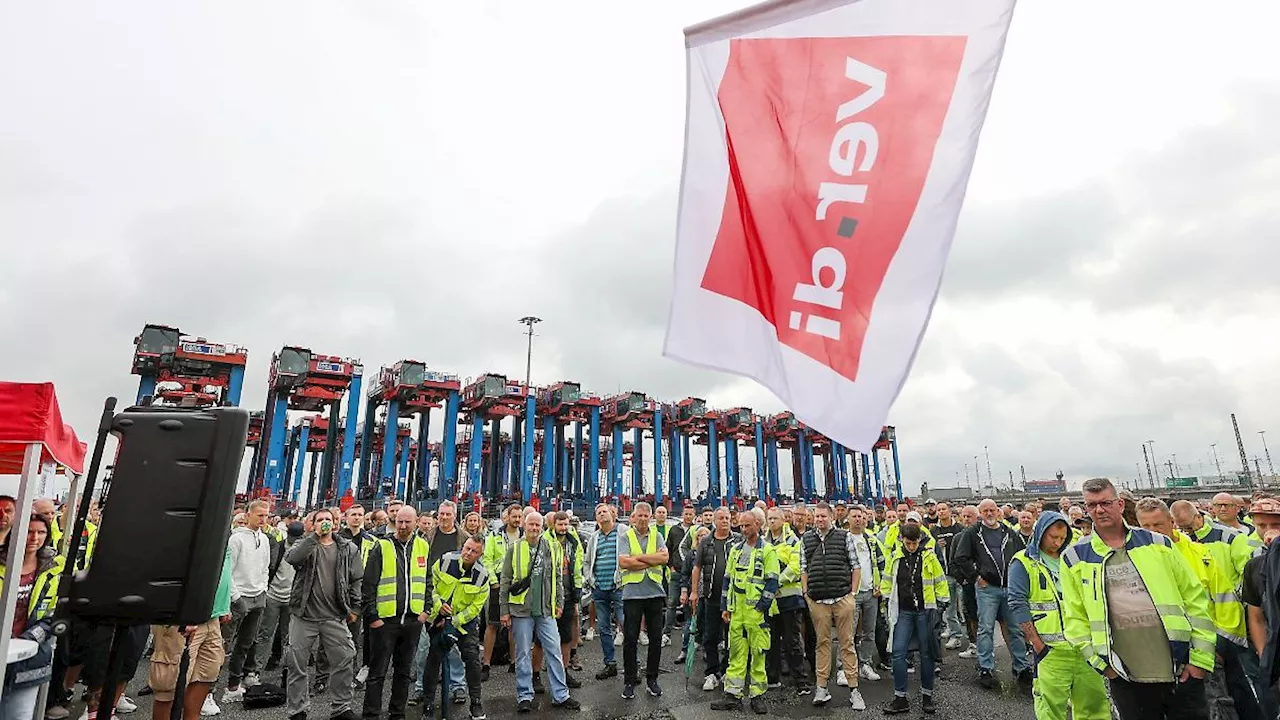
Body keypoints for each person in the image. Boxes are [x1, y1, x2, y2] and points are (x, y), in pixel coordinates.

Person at [1061, 478, 1215, 720]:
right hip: (1125, 674)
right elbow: (1074, 616)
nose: (1099, 510)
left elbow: (1194, 598)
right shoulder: (1075, 557)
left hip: (1179, 665)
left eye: (1105, 503)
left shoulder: (1157, 543)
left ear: (1120, 504)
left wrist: (1201, 660)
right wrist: (1102, 664)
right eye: (1092, 505)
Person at [1008, 511, 1108, 720]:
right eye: (1053, 537)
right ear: (1041, 533)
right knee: (1051, 708)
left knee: (1094, 704)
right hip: (1051, 650)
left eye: (1062, 538)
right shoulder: (1023, 561)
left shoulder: (1071, 558)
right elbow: (1017, 603)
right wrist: (1037, 644)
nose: (1057, 542)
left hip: (1083, 647)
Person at [284, 507, 362, 720]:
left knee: (345, 657)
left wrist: (355, 608)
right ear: (313, 523)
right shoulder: (304, 543)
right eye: (320, 520)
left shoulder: (348, 548)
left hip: (334, 615)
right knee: (296, 663)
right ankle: (298, 710)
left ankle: (341, 707)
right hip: (304, 615)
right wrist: (313, 537)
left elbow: (356, 578)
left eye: (328, 519)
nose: (325, 523)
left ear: (335, 523)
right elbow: (292, 558)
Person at [499, 510, 580, 712]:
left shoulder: (552, 548)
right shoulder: (514, 548)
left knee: (554, 652)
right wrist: (504, 610)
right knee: (523, 653)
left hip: (545, 610)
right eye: (531, 524)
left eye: (537, 525)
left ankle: (561, 695)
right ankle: (524, 696)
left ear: (543, 527)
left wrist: (559, 602)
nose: (534, 528)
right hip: (521, 611)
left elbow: (558, 579)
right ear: (524, 526)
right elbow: (505, 581)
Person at [952, 498, 1032, 689]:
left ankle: (1021, 667)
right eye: (985, 510)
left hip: (1009, 589)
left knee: (1015, 628)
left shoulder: (1008, 532)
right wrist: (976, 577)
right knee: (985, 629)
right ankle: (986, 668)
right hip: (987, 589)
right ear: (980, 513)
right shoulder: (973, 533)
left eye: (992, 510)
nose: (989, 514)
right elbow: (961, 557)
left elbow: (1021, 557)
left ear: (998, 512)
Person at [150, 537, 232, 720]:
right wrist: (180, 612)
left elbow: (224, 565)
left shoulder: (220, 519)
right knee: (169, 686)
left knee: (206, 675)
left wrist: (224, 604)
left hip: (211, 617)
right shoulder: (185, 521)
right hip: (182, 618)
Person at [362, 506, 430, 720]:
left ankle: (397, 713)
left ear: (416, 522)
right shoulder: (382, 546)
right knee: (377, 672)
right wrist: (372, 616)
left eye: (407, 522)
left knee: (403, 672)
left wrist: (426, 610)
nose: (402, 526)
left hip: (412, 620)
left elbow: (428, 580)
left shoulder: (422, 545)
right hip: (385, 621)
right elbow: (369, 584)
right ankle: (371, 714)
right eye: (399, 521)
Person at [711, 508, 779, 715]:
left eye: (747, 525)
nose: (743, 529)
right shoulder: (736, 550)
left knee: (758, 654)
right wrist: (725, 607)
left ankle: (757, 696)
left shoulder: (767, 550)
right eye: (741, 525)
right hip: (737, 612)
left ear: (758, 525)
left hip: (756, 614)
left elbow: (772, 582)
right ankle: (733, 695)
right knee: (736, 654)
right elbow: (728, 580)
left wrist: (761, 608)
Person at [801, 502, 865, 710]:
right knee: (822, 644)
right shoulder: (807, 539)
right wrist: (806, 593)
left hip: (842, 598)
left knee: (847, 644)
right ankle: (822, 688)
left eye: (823, 516)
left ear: (831, 517)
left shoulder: (844, 536)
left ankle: (854, 690)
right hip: (818, 600)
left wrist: (852, 594)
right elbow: (803, 568)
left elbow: (856, 565)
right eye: (817, 516)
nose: (819, 520)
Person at [879, 523, 948, 715]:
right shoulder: (895, 558)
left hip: (925, 612)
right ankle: (900, 698)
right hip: (904, 612)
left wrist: (941, 606)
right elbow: (887, 582)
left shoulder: (929, 557)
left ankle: (927, 696)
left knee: (926, 653)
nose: (911, 546)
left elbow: (940, 582)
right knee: (898, 653)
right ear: (902, 539)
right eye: (908, 543)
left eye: (915, 542)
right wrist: (886, 604)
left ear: (919, 540)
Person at [421, 535, 490, 720]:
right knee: (433, 659)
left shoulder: (483, 576)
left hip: (464, 623)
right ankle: (428, 704)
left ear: (480, 554)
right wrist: (438, 605)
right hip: (438, 617)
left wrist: (453, 621)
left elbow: (476, 608)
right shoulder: (445, 560)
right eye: (467, 548)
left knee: (472, 659)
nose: (468, 553)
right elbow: (430, 585)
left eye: (474, 551)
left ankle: (476, 703)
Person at [1, 514, 62, 720]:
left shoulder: (54, 569)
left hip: (31, 657)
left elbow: (56, 613)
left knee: (20, 716)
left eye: (41, 532)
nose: (34, 537)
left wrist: (28, 639)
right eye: (29, 531)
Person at [221, 499, 272, 703]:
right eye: (259, 515)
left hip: (258, 597)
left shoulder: (265, 539)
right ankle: (208, 689)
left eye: (266, 515)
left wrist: (263, 590)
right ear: (248, 515)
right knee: (223, 644)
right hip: (238, 598)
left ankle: (234, 685)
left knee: (245, 643)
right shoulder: (236, 539)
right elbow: (227, 571)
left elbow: (265, 567)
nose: (263, 519)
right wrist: (236, 597)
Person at [617, 502, 669, 699]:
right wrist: (652, 558)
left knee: (655, 639)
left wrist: (638, 558)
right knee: (630, 640)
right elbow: (624, 562)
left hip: (655, 593)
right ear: (633, 516)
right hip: (633, 595)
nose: (642, 519)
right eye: (639, 516)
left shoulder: (658, 535)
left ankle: (652, 679)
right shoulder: (625, 536)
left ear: (650, 517)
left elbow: (664, 559)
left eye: (646, 516)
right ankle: (629, 680)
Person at [764, 506, 810, 695]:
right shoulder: (763, 541)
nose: (772, 521)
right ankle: (772, 678)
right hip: (770, 601)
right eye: (769, 518)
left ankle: (801, 681)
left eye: (775, 518)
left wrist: (775, 583)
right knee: (771, 641)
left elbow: (795, 567)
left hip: (789, 599)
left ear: (783, 520)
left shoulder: (793, 540)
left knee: (792, 641)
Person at [692, 507, 737, 692]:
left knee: (731, 637)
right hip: (711, 597)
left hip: (732, 599)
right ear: (715, 521)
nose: (725, 521)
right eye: (721, 518)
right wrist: (694, 592)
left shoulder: (738, 541)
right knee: (709, 636)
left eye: (727, 518)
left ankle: (727, 670)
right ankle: (711, 672)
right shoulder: (706, 542)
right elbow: (697, 567)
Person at [481, 504, 523, 679]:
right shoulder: (494, 536)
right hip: (498, 582)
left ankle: (514, 662)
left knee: (514, 625)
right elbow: (487, 559)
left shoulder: (525, 536)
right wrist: (493, 582)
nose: (517, 520)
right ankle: (486, 664)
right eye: (514, 516)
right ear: (507, 517)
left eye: (520, 517)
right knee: (493, 624)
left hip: (518, 584)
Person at [583, 503, 624, 680]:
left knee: (627, 625)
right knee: (604, 627)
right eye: (598, 513)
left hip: (619, 587)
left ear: (612, 514)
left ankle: (634, 664)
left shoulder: (622, 532)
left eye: (604, 511)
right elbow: (587, 561)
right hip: (600, 588)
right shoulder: (594, 537)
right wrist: (591, 580)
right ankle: (610, 663)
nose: (602, 515)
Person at [930, 502, 968, 653]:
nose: (940, 512)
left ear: (950, 511)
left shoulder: (960, 528)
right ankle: (955, 635)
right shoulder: (934, 531)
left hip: (962, 574)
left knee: (965, 608)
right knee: (950, 608)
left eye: (943, 509)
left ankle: (972, 638)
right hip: (945, 574)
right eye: (938, 510)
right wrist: (937, 547)